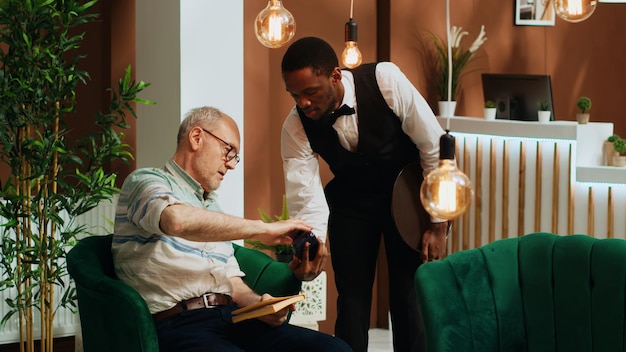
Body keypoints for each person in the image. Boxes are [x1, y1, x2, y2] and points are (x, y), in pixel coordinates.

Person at [111, 106, 352, 352]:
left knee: (335, 349)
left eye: (235, 156)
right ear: (196, 138)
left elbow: (232, 283)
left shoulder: (213, 206)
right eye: (229, 151)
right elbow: (176, 221)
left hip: (233, 318)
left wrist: (260, 304)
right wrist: (261, 229)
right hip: (179, 324)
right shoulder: (144, 182)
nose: (232, 165)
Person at [279, 36, 449, 352]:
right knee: (353, 299)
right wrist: (312, 247)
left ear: (334, 76)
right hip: (351, 202)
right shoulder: (295, 126)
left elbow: (432, 145)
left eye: (310, 92)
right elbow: (306, 195)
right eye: (295, 95)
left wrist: (438, 223)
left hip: (406, 196)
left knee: (408, 296)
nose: (303, 103)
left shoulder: (386, 80)